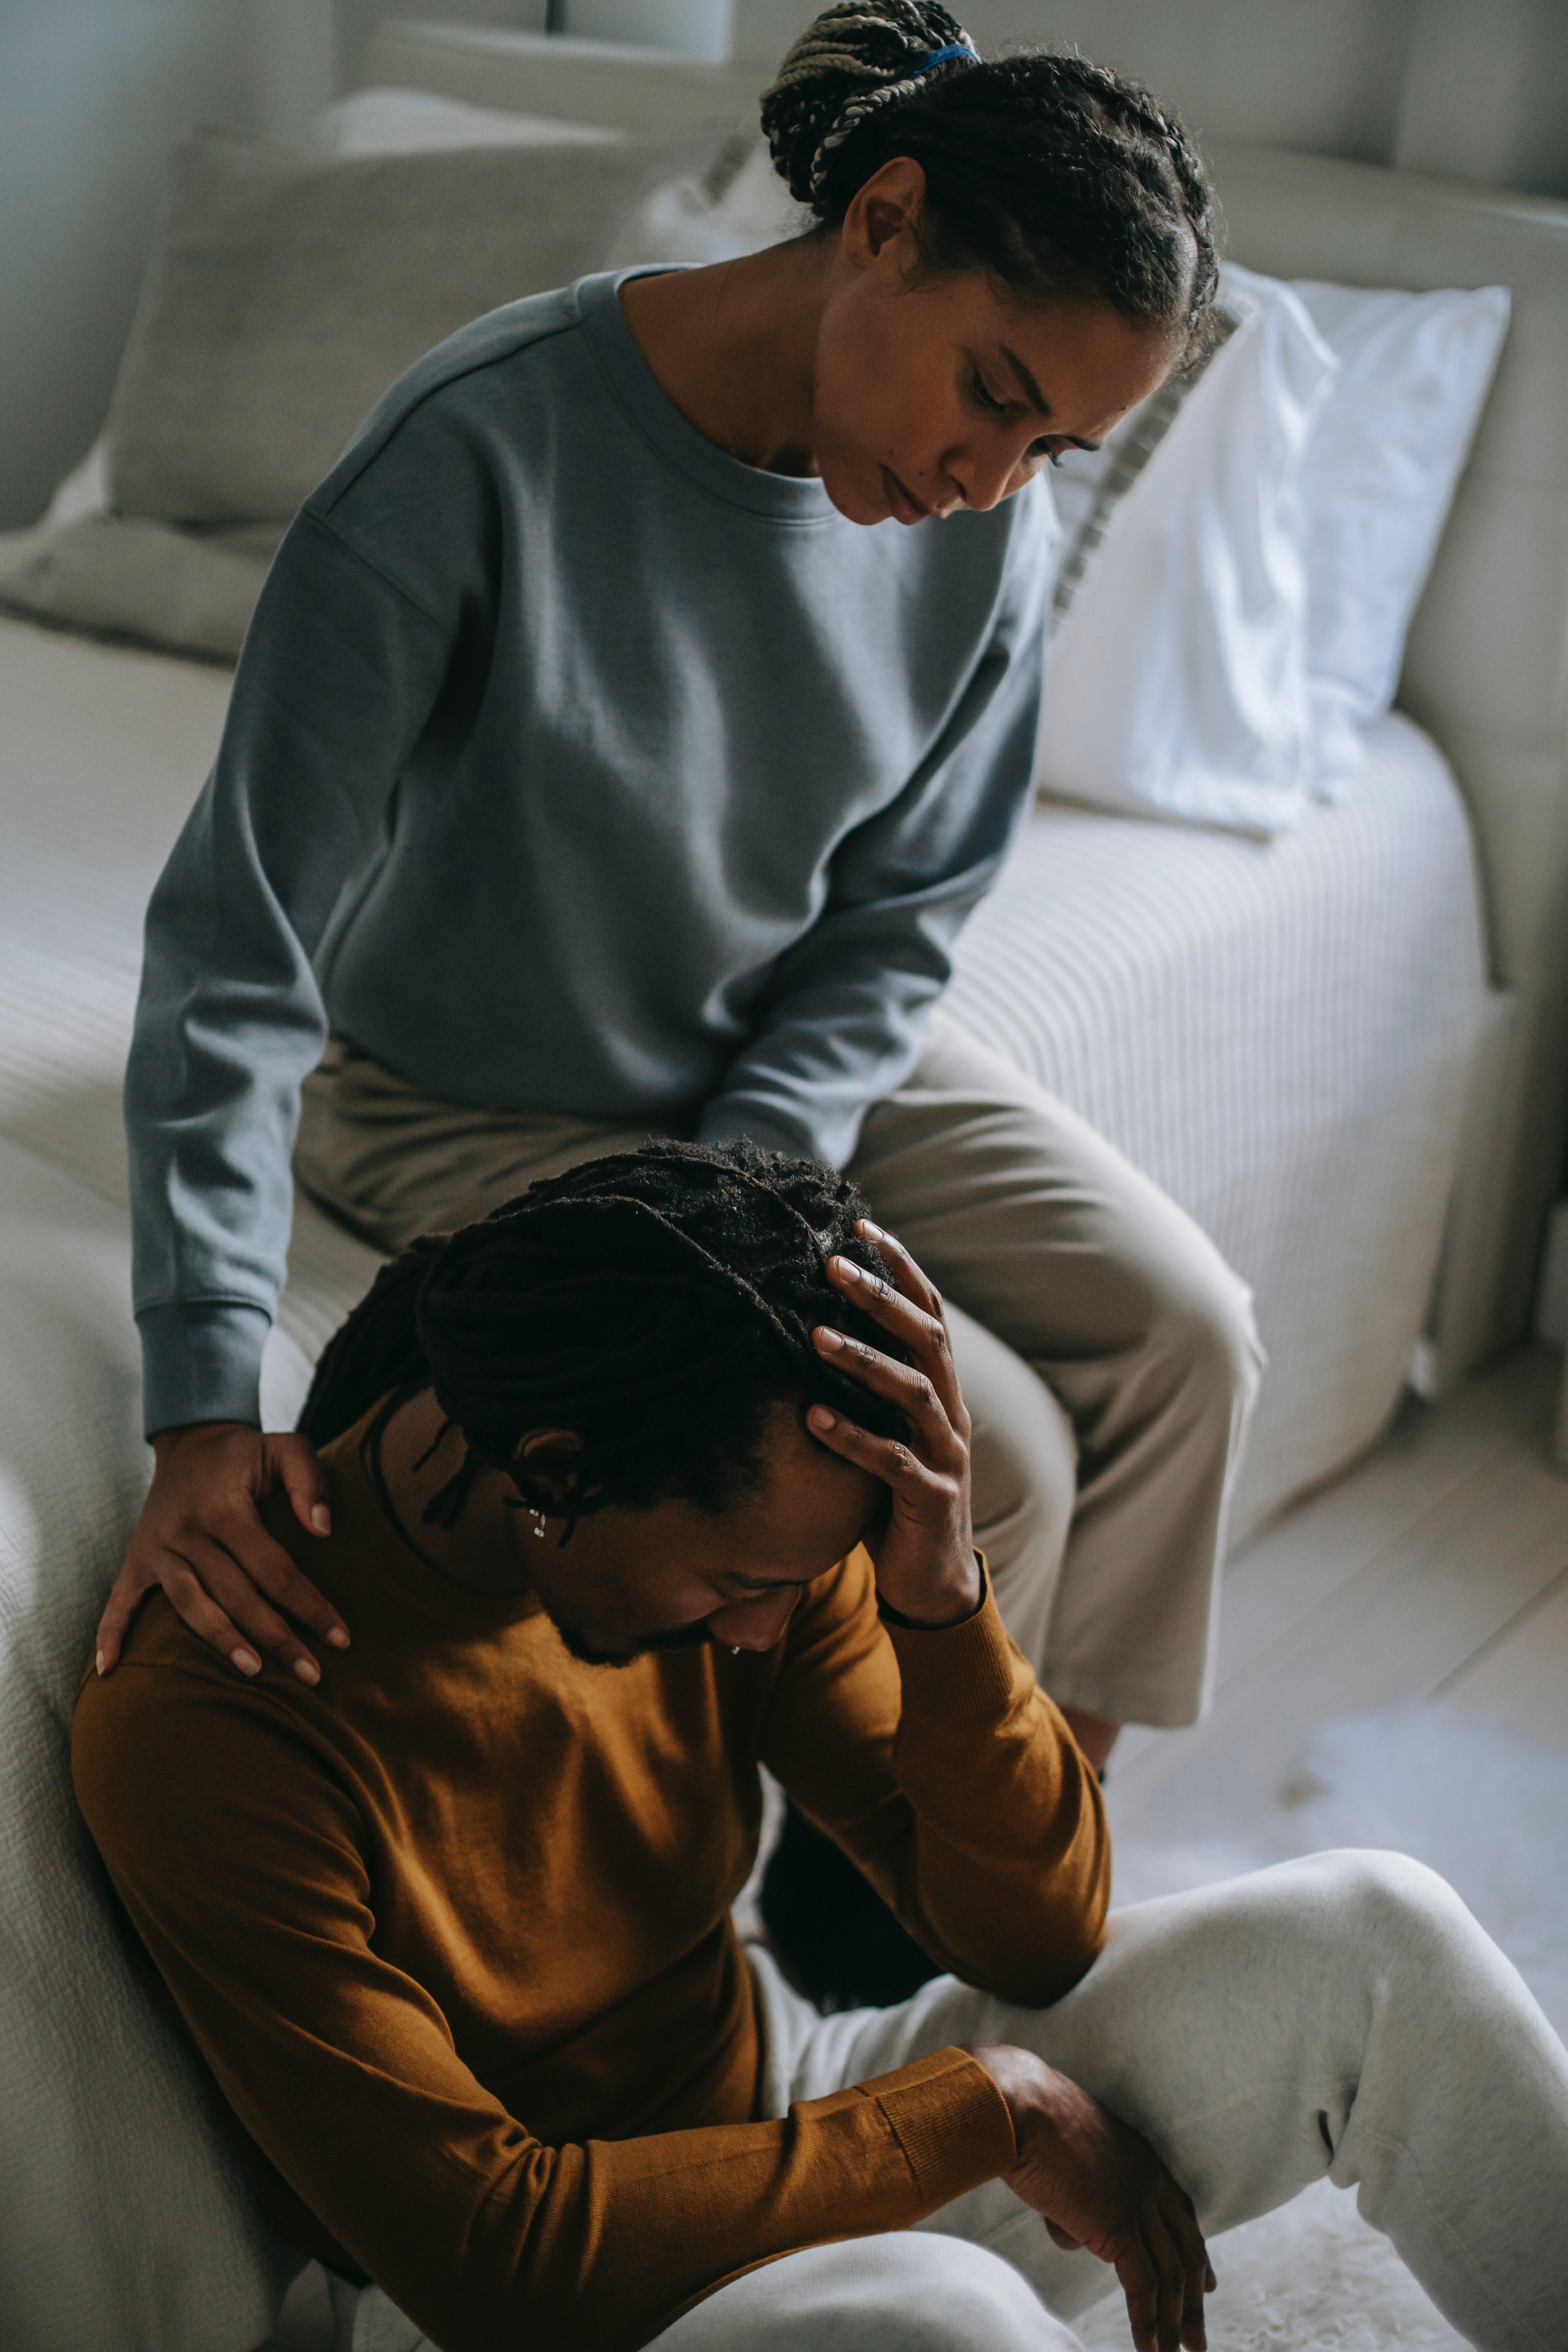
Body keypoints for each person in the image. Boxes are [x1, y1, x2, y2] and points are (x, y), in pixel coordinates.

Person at [100, 3, 1262, 1793]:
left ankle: (1042, 1852)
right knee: (995, 1454)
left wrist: (760, 1173)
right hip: (464, 1095)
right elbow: (235, 941)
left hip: (781, 1060)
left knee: (1192, 1339)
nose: (991, 480)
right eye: (995, 397)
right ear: (880, 221)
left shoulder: (981, 531)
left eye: (1053, 452)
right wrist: (196, 1396)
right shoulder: (479, 449)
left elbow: (898, 918)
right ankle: (845, 1925)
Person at [74, 1143, 1568, 2352]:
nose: (761, 1635)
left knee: (1381, 1935)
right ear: (553, 1476)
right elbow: (490, 2257)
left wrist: (943, 1600)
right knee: (947, 2320)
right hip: (519, 2301)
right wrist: (979, 2112)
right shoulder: (218, 1719)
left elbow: (1041, 1938)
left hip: (782, 2098)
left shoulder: (746, 1529)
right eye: (738, 1589)